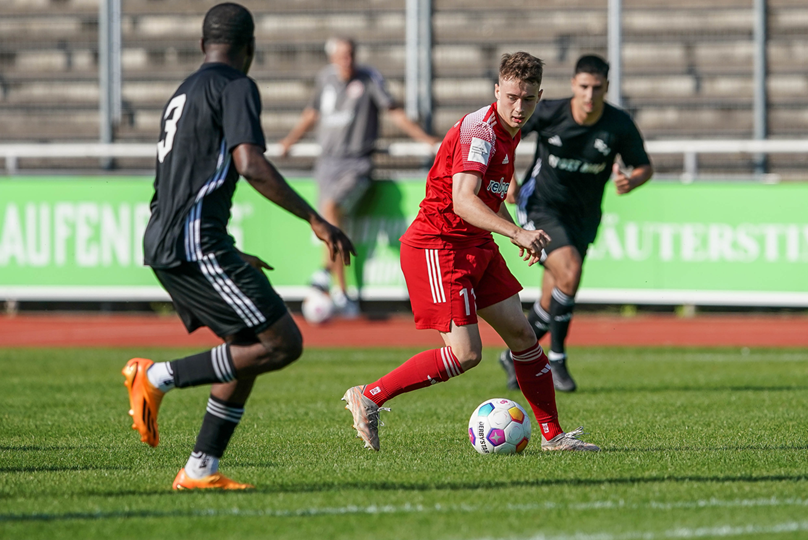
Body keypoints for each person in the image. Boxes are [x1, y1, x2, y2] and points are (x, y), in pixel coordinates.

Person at [123, 3, 355, 490]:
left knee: (249, 342)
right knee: (282, 343)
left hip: (173, 235)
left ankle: (200, 469)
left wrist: (224, 249)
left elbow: (174, 181)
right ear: (250, 47)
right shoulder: (236, 86)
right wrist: (315, 218)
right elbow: (249, 163)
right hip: (193, 240)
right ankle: (156, 376)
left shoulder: (182, 92)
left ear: (202, 44)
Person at [340, 52, 599, 453]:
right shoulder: (480, 132)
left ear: (539, 96)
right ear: (497, 90)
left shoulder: (510, 132)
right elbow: (463, 200)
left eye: (528, 99)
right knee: (466, 354)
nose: (519, 107)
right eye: (511, 97)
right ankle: (369, 396)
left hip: (476, 244)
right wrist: (516, 231)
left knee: (523, 336)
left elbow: (488, 198)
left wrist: (515, 234)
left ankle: (554, 437)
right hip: (439, 245)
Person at [497, 54, 653, 392]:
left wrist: (632, 181)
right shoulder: (550, 112)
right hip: (540, 206)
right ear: (573, 85)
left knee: (553, 297)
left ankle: (513, 356)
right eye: (583, 86)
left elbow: (644, 166)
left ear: (606, 87)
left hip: (583, 217)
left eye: (596, 88)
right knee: (570, 271)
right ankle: (556, 359)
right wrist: (507, 176)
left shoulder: (618, 124)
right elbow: (506, 132)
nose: (589, 94)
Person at [278, 37, 440, 317]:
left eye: (351, 54)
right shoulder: (325, 79)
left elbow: (394, 112)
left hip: (356, 165)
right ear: (332, 58)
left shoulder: (369, 79)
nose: (347, 60)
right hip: (327, 164)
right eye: (342, 55)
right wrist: (289, 142)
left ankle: (332, 281)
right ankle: (336, 286)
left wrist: (427, 140)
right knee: (329, 224)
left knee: (330, 209)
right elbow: (311, 114)